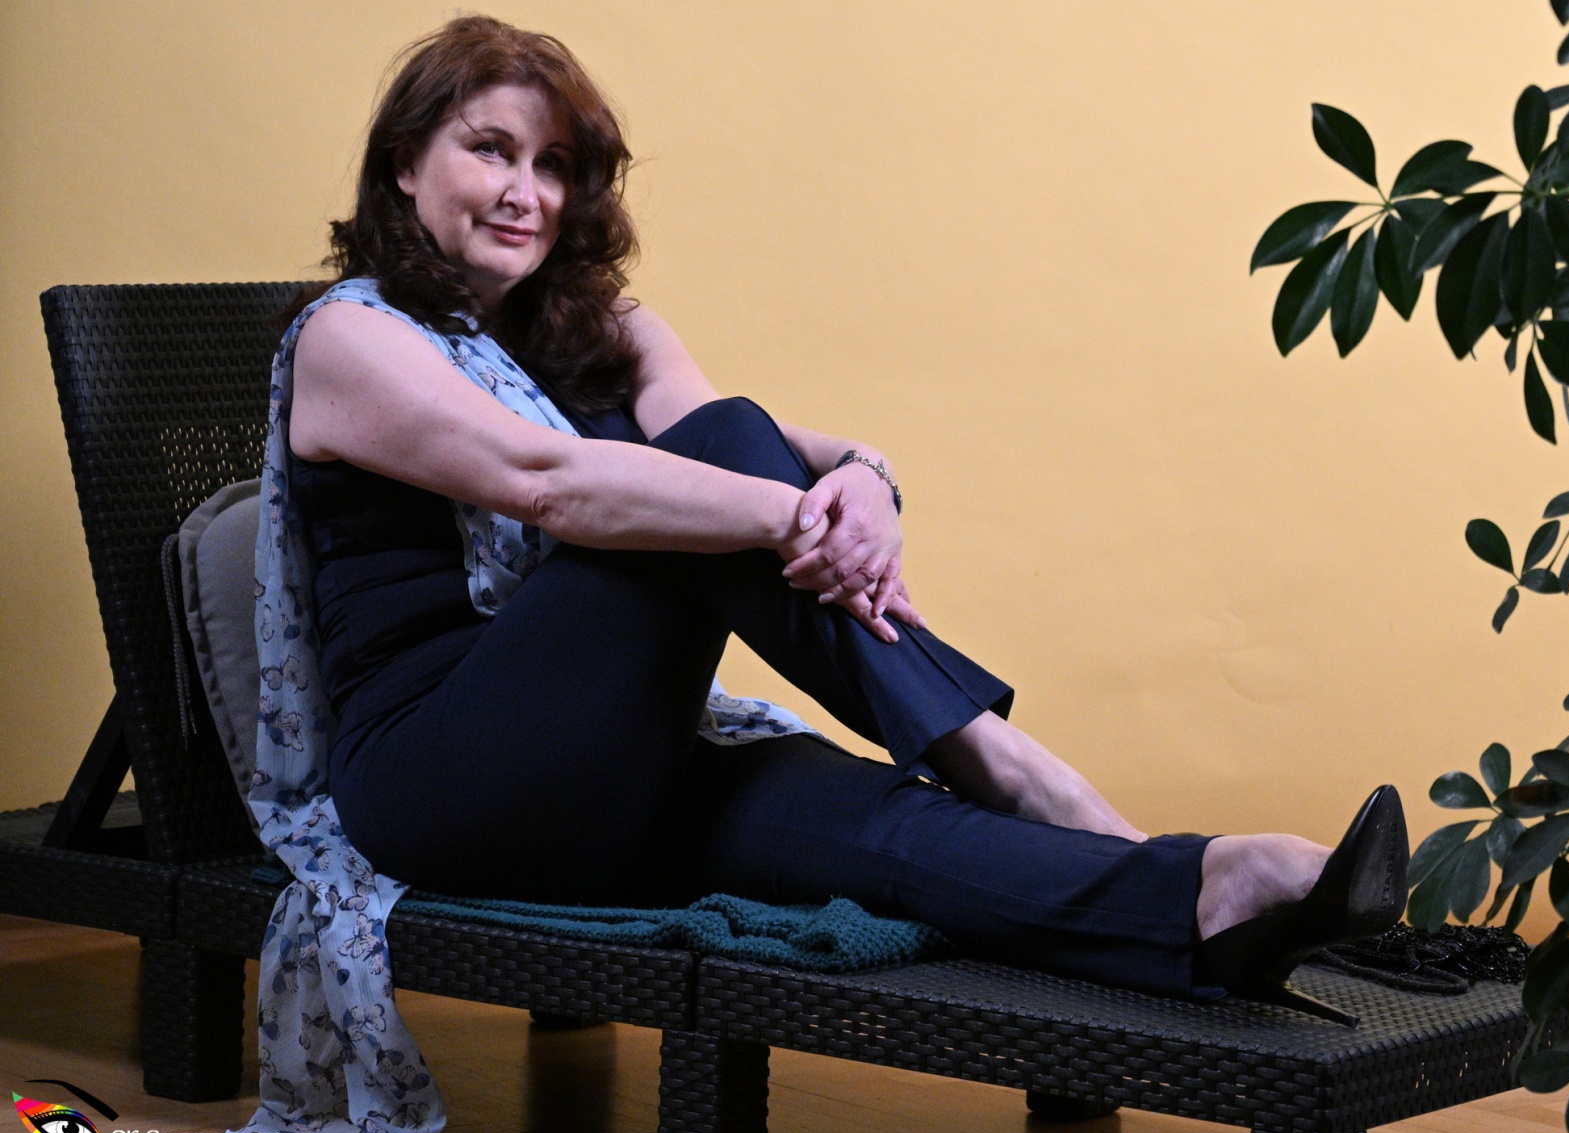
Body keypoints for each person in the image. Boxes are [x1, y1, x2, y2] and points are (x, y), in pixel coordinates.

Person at [278, 15, 1407, 1029]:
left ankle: (1199, 890)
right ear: (404, 163)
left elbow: (745, 441)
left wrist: (863, 478)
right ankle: (1013, 766)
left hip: (614, 761)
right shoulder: (349, 340)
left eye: (554, 165)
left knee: (880, 825)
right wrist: (789, 517)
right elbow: (550, 483)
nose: (526, 191)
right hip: (446, 783)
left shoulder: (598, 329)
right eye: (490, 150)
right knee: (719, 464)